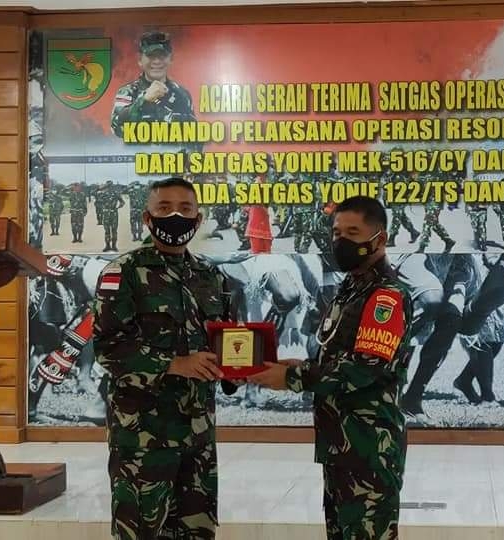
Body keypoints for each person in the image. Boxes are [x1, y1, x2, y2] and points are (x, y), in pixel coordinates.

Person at [249, 196, 413, 539]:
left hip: (368, 447)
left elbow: (364, 368)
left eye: (353, 233)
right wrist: (301, 365)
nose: (341, 241)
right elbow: (338, 356)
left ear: (380, 239)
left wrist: (293, 377)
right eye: (337, 233)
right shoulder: (351, 289)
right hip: (340, 442)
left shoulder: (385, 296)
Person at [92, 177, 240, 540]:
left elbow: (227, 340)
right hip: (144, 436)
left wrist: (237, 367)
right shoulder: (123, 273)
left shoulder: (211, 277)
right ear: (147, 217)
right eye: (164, 208)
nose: (175, 215)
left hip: (198, 434)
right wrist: (174, 364)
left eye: (185, 209)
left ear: (198, 219)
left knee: (197, 530)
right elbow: (109, 348)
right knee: (141, 530)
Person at [110, 31, 196, 139]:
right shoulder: (129, 92)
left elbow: (194, 136)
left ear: (171, 58)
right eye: (151, 56)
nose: (157, 61)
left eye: (162, 56)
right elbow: (116, 128)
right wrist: (144, 101)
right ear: (140, 59)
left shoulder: (182, 94)